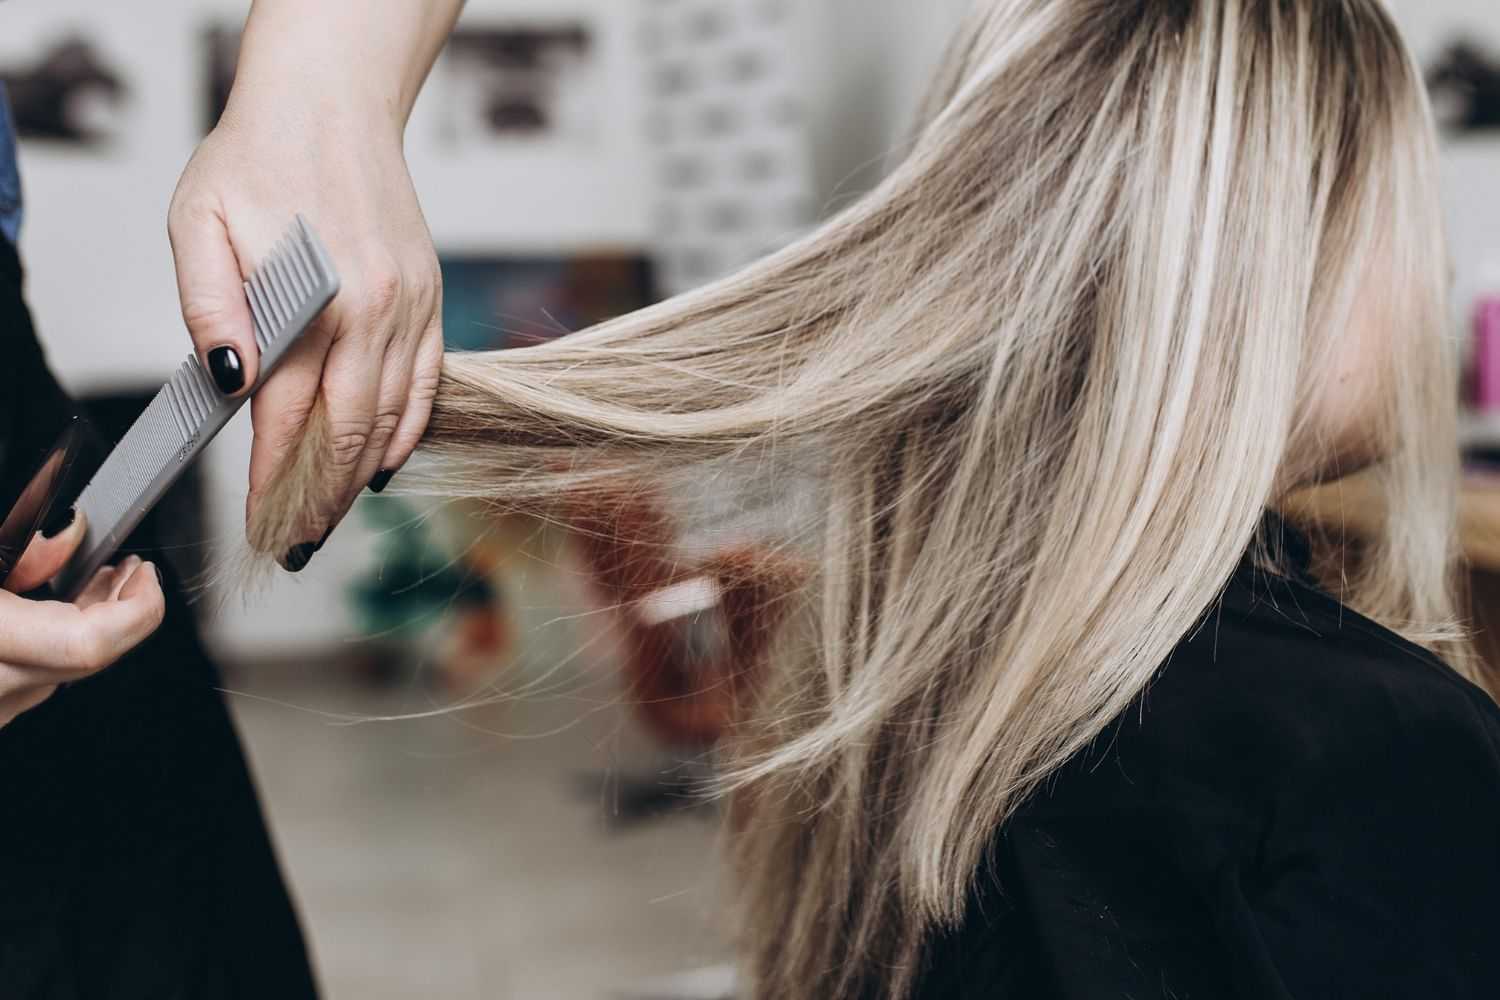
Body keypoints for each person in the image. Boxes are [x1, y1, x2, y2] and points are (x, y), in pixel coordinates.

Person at [246, 0, 1500, 997]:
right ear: (1284, 259)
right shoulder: (1390, 754)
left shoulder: (914, 660)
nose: (1440, 263)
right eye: (1412, 209)